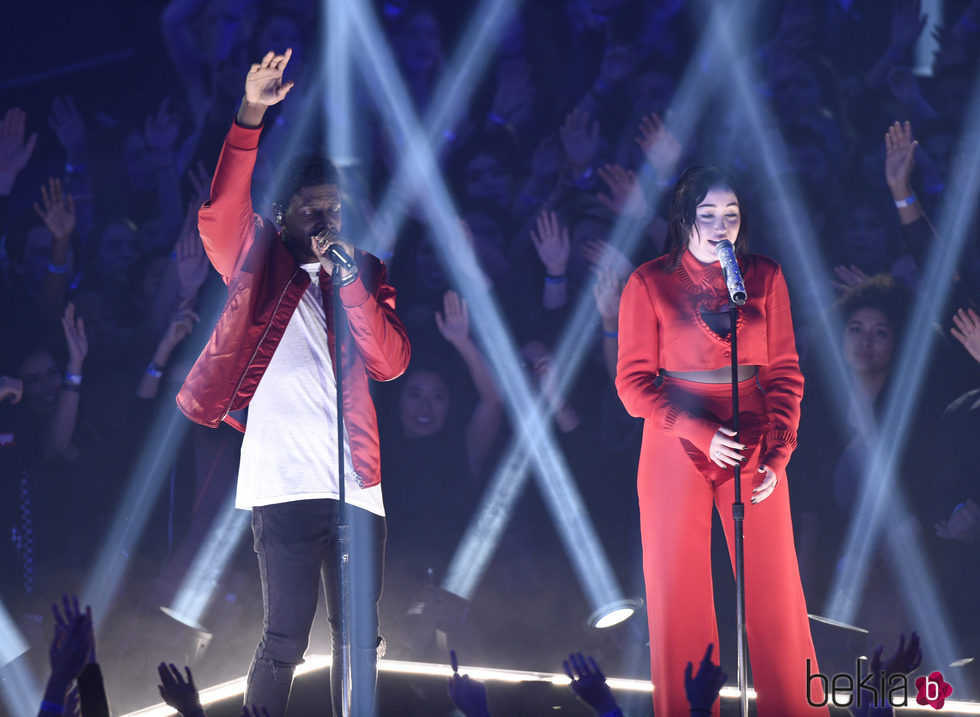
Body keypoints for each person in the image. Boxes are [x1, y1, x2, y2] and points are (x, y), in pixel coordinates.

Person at [175, 47, 411, 717]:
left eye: (334, 213)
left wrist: (351, 284)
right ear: (284, 217)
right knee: (284, 638)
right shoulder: (258, 266)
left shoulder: (366, 272)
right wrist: (251, 111)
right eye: (311, 213)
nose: (324, 225)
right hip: (282, 483)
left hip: (357, 487)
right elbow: (218, 217)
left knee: (359, 639)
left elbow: (391, 361)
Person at [615, 166, 826, 716]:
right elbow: (632, 384)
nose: (720, 226)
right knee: (677, 595)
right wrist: (698, 432)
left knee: (775, 592)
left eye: (730, 215)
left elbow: (785, 372)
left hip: (753, 435)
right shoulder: (648, 282)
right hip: (676, 439)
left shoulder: (764, 276)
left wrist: (779, 450)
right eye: (707, 215)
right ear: (683, 219)